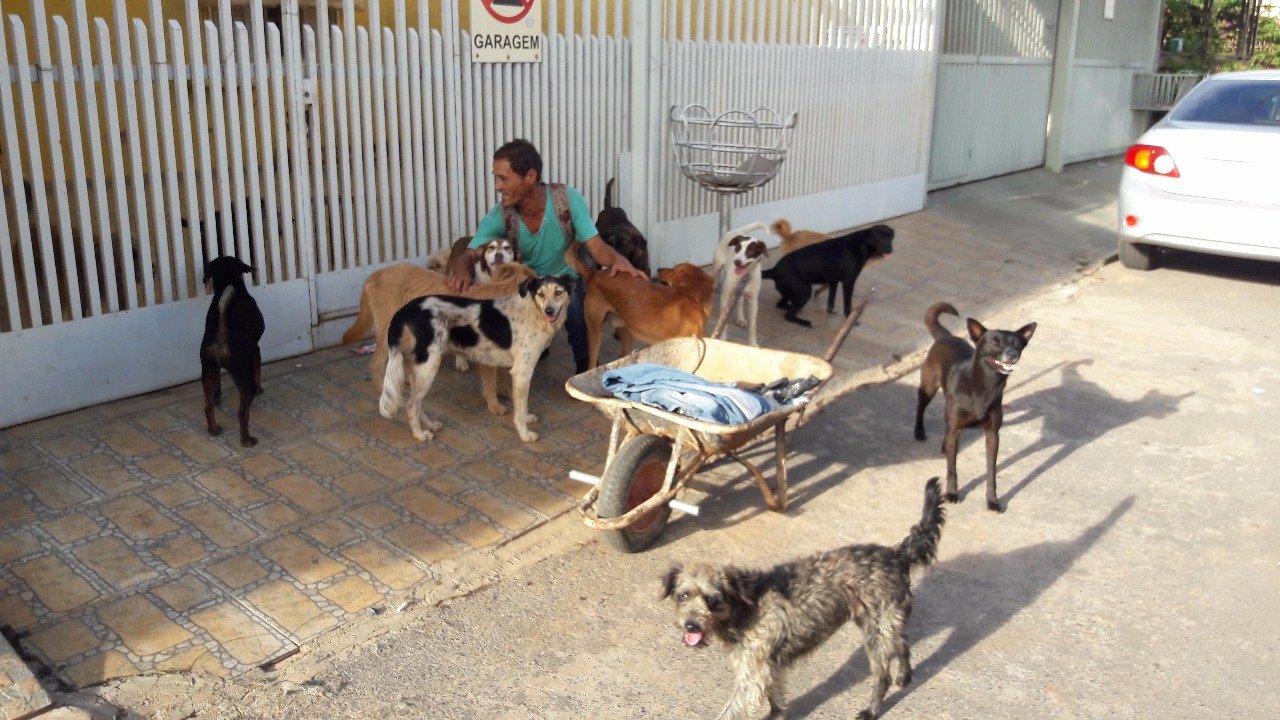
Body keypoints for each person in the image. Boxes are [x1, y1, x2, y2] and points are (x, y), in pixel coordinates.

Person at [447, 139, 646, 374]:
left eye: (503, 178)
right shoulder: (502, 214)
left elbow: (597, 247)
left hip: (564, 281)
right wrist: (461, 270)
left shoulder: (567, 201)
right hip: (526, 287)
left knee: (575, 313)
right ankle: (535, 350)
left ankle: (585, 372)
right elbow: (470, 253)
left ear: (530, 176)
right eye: (496, 177)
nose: (497, 186)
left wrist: (620, 262)